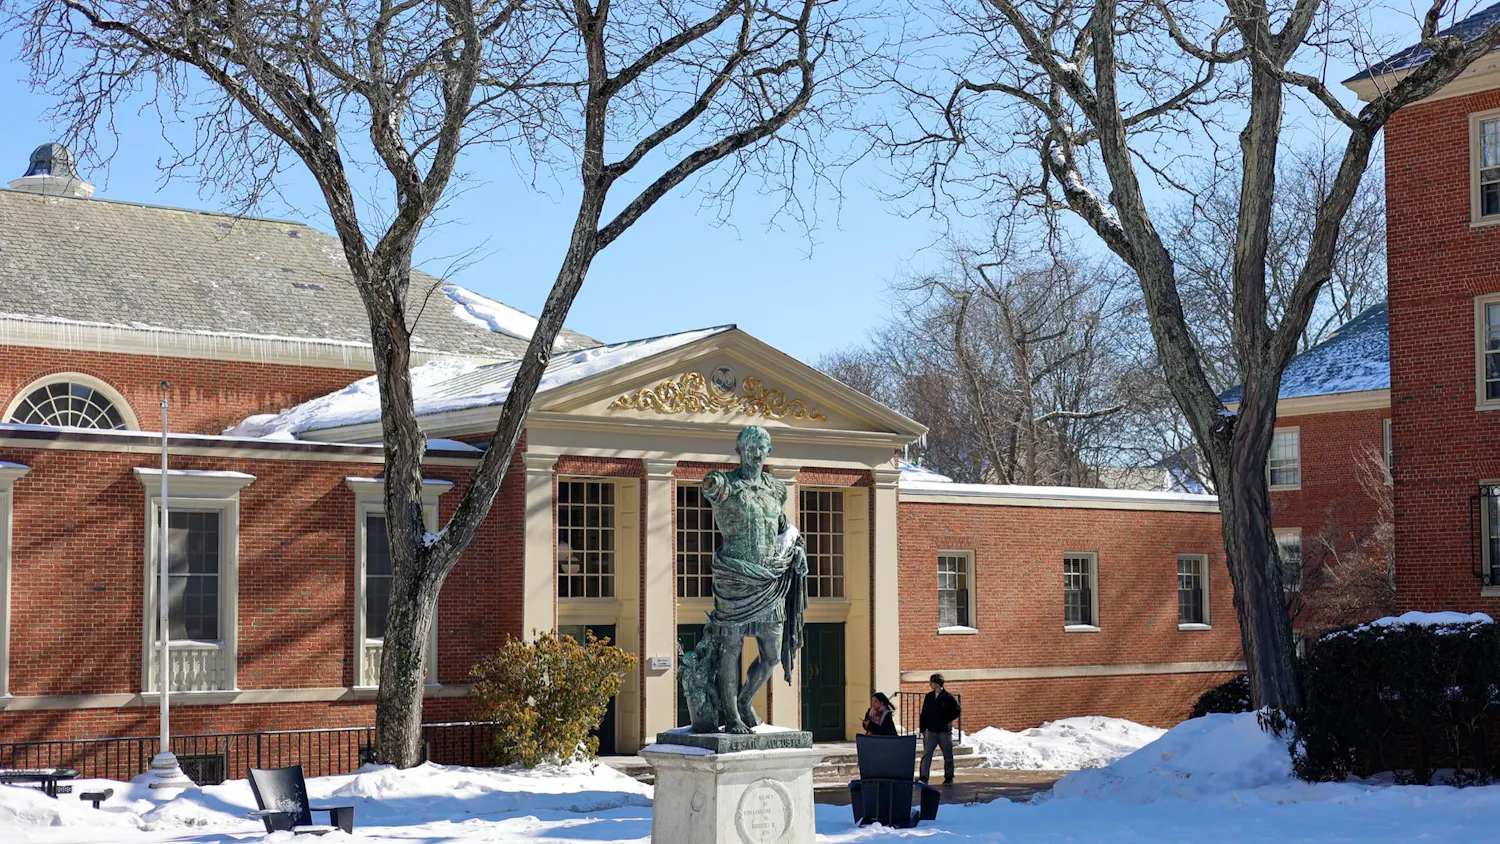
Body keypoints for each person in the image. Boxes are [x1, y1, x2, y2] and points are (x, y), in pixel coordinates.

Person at [918, 673, 961, 784]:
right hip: (931, 730)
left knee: (947, 754)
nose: (930, 684)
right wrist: (923, 728)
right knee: (927, 754)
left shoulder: (948, 697)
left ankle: (949, 776)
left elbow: (957, 710)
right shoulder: (929, 697)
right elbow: (924, 713)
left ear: (937, 683)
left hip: (944, 731)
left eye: (931, 682)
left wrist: (947, 719)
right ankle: (923, 776)